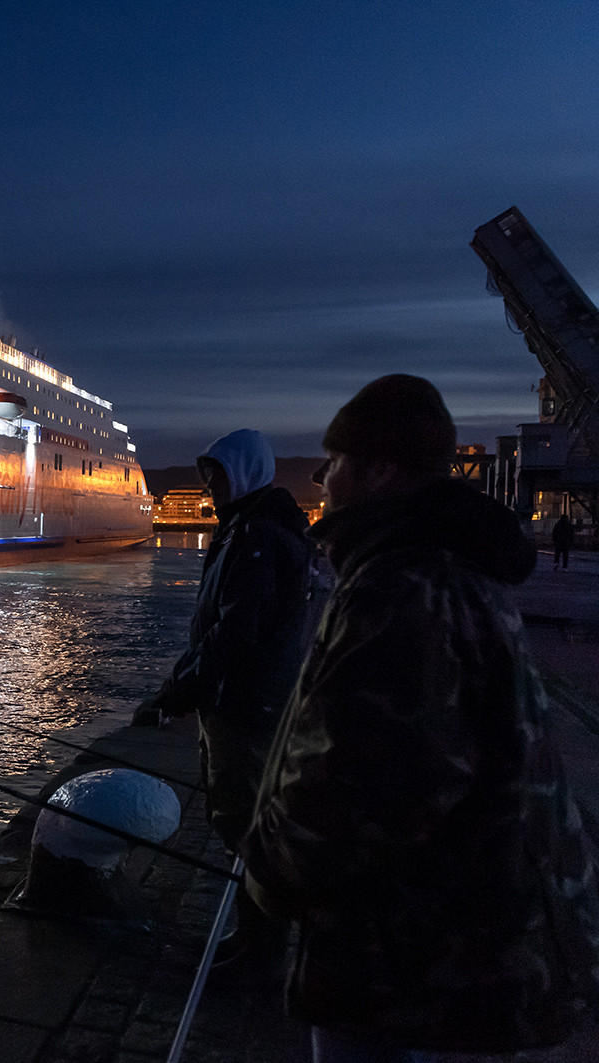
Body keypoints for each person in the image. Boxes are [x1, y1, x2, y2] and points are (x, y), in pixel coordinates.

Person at [241, 375, 599, 1061]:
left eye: (335, 460)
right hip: (466, 939)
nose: (322, 476)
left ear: (379, 470)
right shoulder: (449, 570)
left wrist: (271, 870)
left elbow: (364, 788)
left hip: (417, 963)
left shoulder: (403, 592)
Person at [134, 428, 317, 972]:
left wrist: (176, 693)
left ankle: (260, 950)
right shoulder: (256, 528)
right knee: (243, 823)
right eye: (207, 477)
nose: (209, 487)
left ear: (243, 473)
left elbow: (236, 632)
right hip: (249, 699)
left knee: (246, 825)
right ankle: (254, 937)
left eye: (216, 476)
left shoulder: (255, 535)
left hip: (245, 704)